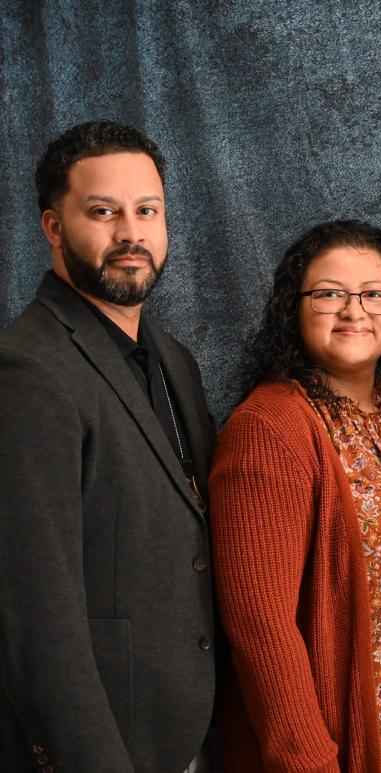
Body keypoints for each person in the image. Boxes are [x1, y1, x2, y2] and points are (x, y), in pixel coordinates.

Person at [209, 220, 381, 772]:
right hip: (336, 749)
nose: (355, 311)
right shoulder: (270, 427)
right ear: (294, 308)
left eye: (374, 294)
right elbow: (260, 627)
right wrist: (308, 762)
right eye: (329, 294)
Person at [0, 121, 217, 770]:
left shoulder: (173, 360)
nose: (131, 232)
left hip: (187, 734)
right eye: (103, 211)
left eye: (146, 210)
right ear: (52, 227)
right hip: (106, 747)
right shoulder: (26, 371)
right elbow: (38, 618)